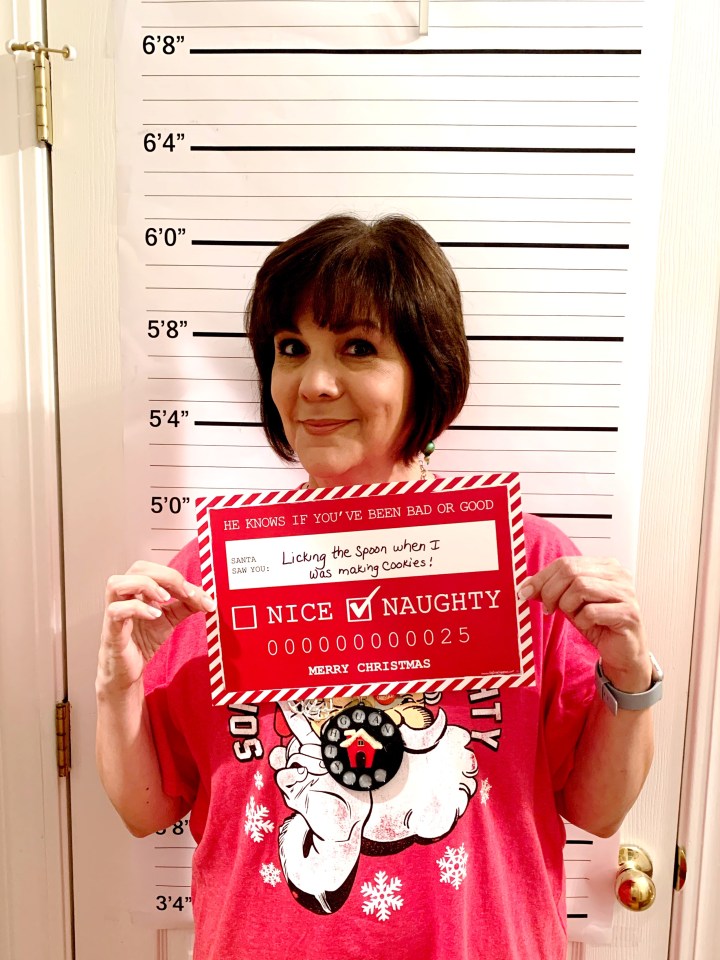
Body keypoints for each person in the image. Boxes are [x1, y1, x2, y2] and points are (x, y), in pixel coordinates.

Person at [97, 215, 658, 960]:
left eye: (357, 348)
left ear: (426, 369)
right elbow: (147, 809)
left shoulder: (524, 565)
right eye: (291, 348)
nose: (314, 383)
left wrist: (629, 676)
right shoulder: (215, 574)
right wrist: (118, 685)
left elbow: (598, 808)